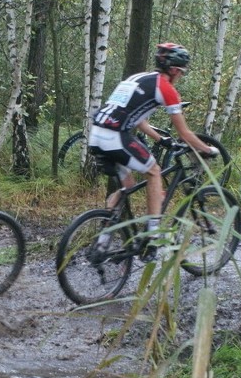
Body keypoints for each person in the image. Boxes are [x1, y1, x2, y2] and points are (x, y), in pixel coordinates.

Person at [88, 42, 219, 261]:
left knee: (127, 186)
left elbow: (138, 120)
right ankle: (152, 235)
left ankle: (103, 241)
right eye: (182, 72)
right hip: (115, 136)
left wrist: (161, 139)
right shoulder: (166, 89)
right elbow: (185, 133)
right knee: (154, 171)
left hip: (97, 134)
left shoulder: (138, 78)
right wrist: (207, 149)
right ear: (176, 70)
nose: (180, 76)